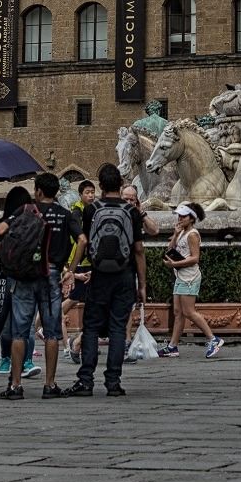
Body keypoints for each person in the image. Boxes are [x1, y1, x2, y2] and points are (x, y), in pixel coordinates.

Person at [63, 163, 147, 398]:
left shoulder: (92, 209)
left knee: (90, 327)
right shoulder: (131, 212)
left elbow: (85, 242)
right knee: (118, 328)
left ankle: (86, 380)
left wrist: (71, 269)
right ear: (121, 185)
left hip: (99, 275)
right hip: (124, 275)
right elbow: (139, 250)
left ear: (100, 186)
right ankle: (113, 382)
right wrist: (142, 285)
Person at [0, 173, 80, 400]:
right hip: (51, 274)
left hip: (24, 275)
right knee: (52, 331)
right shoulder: (64, 214)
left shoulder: (25, 210)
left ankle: (15, 386)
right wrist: (71, 270)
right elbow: (82, 240)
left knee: (19, 332)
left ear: (38, 191)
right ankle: (50, 385)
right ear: (56, 192)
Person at [158, 202, 224, 359]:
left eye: (184, 216)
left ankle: (213, 339)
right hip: (181, 276)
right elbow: (169, 249)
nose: (180, 218)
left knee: (189, 311)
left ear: (192, 218)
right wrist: (175, 234)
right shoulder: (181, 232)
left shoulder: (193, 234)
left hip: (190, 276)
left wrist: (175, 264)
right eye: (179, 216)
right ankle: (173, 346)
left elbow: (195, 258)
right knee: (178, 312)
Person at [0, 186, 38, 381]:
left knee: (7, 323)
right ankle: (26, 360)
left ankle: (5, 359)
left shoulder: (3, 224)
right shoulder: (33, 223)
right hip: (28, 276)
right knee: (26, 322)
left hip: (4, 276)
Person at [62, 179, 96, 363]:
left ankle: (83, 342)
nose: (91, 195)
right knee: (73, 300)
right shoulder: (76, 212)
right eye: (87, 192)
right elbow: (79, 240)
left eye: (93, 192)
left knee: (87, 302)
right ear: (81, 194)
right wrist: (71, 270)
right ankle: (44, 323)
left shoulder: (92, 210)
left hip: (86, 263)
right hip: (78, 262)